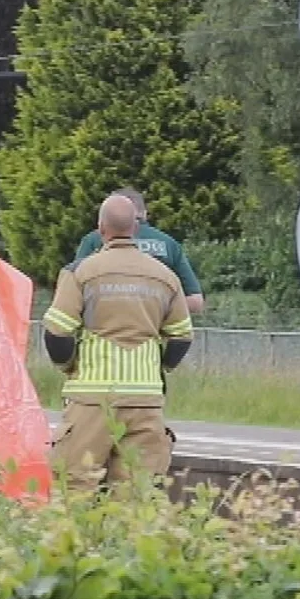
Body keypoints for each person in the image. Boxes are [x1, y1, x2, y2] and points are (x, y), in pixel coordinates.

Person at [45, 193, 195, 491]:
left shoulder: (81, 272)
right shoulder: (165, 276)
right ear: (136, 228)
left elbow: (57, 333)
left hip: (92, 398)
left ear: (101, 229)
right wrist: (158, 368)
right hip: (145, 400)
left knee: (76, 490)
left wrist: (69, 366)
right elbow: (181, 336)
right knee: (136, 498)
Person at [72, 186, 205, 313]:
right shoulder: (169, 244)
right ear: (144, 214)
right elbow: (195, 302)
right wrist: (155, 307)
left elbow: (73, 293)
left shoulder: (93, 241)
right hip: (155, 333)